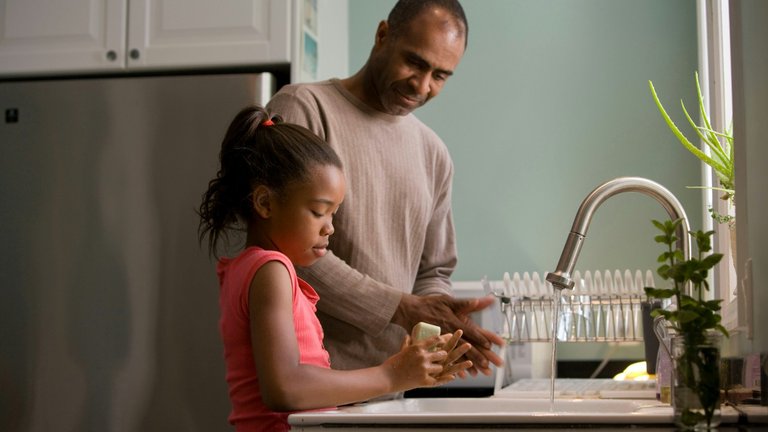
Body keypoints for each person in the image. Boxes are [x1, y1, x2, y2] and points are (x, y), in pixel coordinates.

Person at [266, 0, 504, 377]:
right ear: (382, 36)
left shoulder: (434, 154)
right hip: (310, 383)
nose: (423, 85)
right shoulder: (304, 108)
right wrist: (401, 308)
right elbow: (283, 246)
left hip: (392, 387)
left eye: (440, 76)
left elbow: (434, 269)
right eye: (415, 62)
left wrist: (439, 318)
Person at [198, 105, 472, 432]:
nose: (330, 228)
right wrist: (391, 375)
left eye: (334, 214)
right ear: (265, 203)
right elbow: (285, 387)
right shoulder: (271, 270)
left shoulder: (248, 268)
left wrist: (404, 370)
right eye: (318, 212)